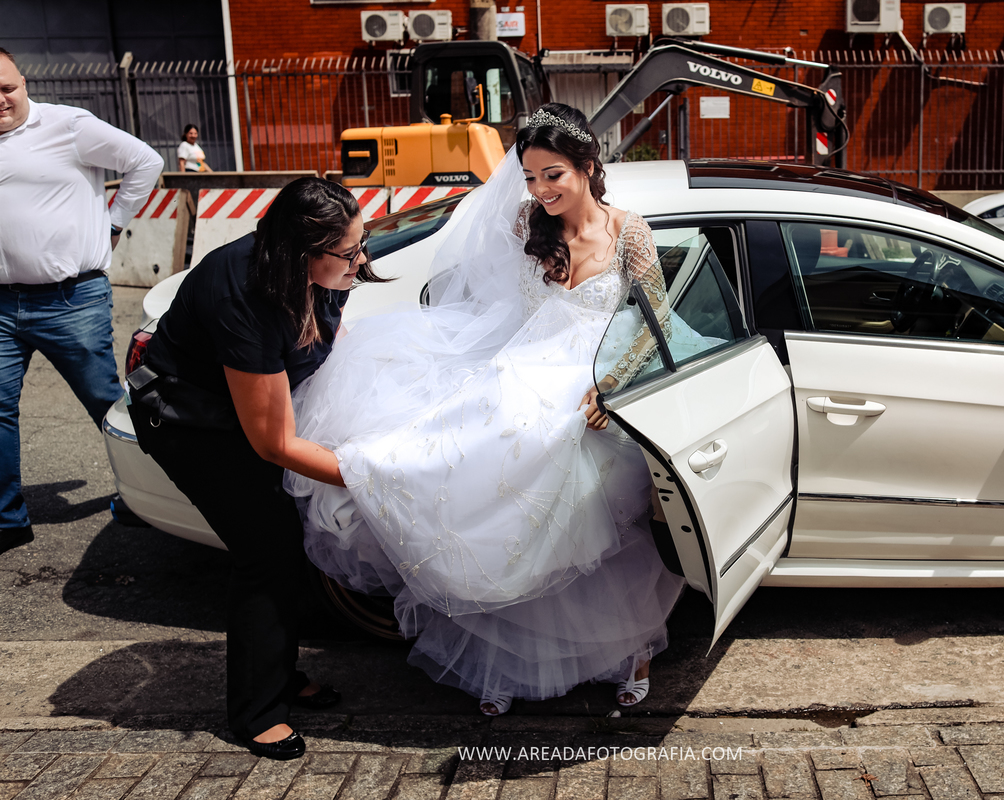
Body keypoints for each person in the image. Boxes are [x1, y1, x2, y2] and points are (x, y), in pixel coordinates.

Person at [288, 104, 700, 716]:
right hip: (521, 370)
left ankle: (630, 652)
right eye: (530, 176)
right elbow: (487, 286)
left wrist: (611, 385)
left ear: (589, 165)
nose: (541, 190)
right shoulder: (526, 221)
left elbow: (656, 316)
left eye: (553, 175)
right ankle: (507, 660)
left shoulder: (629, 232)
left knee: (584, 534)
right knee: (483, 503)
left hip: (590, 388)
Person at [127, 178, 386, 759]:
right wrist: (371, 478)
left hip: (246, 412)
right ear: (302, 253)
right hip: (189, 421)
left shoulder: (321, 269)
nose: (360, 262)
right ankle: (257, 711)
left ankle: (279, 673)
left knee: (289, 539)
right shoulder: (242, 292)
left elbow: (324, 344)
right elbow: (273, 443)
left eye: (361, 244)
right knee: (267, 550)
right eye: (349, 254)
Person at [0, 47, 163, 556]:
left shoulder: (69, 126)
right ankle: (7, 520)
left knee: (108, 402)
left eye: (6, 87)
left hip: (70, 300)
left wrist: (113, 223)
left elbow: (146, 161)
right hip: (1, 306)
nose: (1, 100)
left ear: (24, 83)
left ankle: (153, 497)